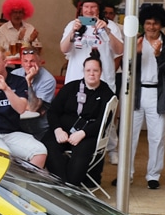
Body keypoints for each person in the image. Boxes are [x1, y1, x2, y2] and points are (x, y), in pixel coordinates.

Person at [45, 49, 114, 187]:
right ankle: (65, 186)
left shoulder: (107, 93)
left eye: (95, 70)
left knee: (78, 163)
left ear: (101, 72)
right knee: (48, 147)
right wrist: (58, 130)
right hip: (64, 130)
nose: (92, 73)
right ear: (83, 71)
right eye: (88, 70)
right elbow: (53, 111)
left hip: (88, 134)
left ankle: (70, 185)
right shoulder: (71, 87)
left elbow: (104, 122)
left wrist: (83, 133)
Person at [128, 3, 165, 189]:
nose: (151, 27)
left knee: (157, 137)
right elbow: (126, 67)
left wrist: (158, 55)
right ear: (143, 24)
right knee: (130, 136)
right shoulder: (135, 41)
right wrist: (137, 54)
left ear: (161, 24)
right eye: (148, 23)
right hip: (136, 93)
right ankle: (127, 174)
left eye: (155, 23)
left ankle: (153, 175)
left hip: (158, 93)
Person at [60, 0, 123, 90]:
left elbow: (119, 50)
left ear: (99, 9)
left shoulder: (111, 26)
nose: (89, 10)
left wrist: (106, 30)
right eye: (86, 7)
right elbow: (64, 49)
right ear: (81, 9)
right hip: (76, 79)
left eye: (93, 7)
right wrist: (73, 32)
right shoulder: (73, 25)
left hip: (103, 80)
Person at [9, 46, 55, 141]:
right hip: (17, 126)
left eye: (32, 61)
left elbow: (32, 107)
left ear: (39, 62)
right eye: (25, 61)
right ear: (21, 63)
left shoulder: (48, 80)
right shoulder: (15, 74)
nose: (28, 65)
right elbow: (8, 101)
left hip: (38, 130)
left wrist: (28, 82)